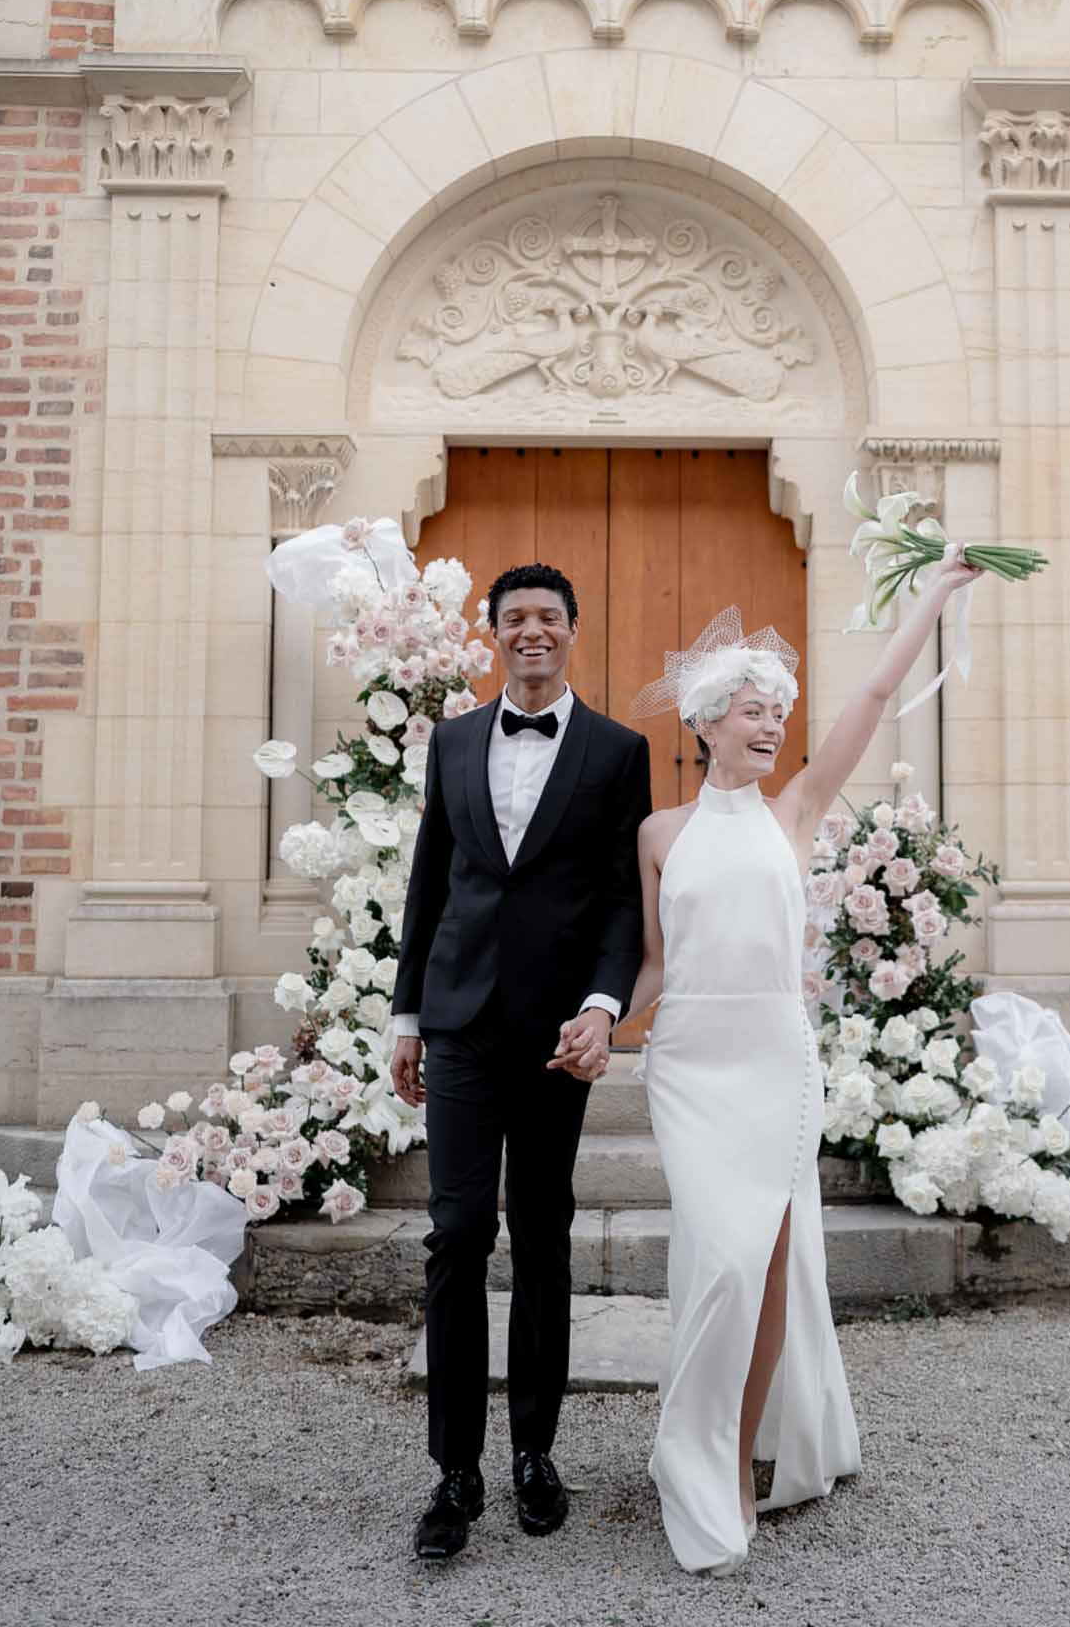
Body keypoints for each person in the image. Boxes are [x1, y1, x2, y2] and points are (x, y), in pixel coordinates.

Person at [621, 549, 984, 1575]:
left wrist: (935, 593)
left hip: (777, 1060)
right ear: (705, 722)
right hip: (689, 1065)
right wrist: (604, 1020)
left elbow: (873, 693)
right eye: (750, 709)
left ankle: (734, 1460)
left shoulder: (797, 814)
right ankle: (696, 1443)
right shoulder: (659, 833)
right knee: (718, 1261)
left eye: (776, 709)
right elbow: (653, 960)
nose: (771, 723)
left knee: (766, 1263)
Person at [390, 562, 652, 1562]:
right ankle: (454, 1470)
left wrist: (601, 1005)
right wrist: (407, 1014)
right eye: (515, 618)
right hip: (457, 1024)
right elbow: (428, 885)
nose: (531, 631)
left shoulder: (616, 750)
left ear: (572, 630)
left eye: (548, 617)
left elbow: (626, 900)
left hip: (555, 1035)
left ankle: (535, 1451)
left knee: (542, 1231)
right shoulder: (452, 741)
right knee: (457, 1231)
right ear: (495, 632)